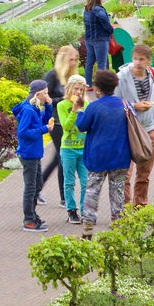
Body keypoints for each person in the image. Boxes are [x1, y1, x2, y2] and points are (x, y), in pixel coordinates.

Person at [76, 70, 130, 240]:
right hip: (121, 157)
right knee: (118, 192)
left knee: (92, 191)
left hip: (98, 158)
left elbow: (82, 126)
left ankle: (88, 229)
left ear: (97, 88)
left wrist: (78, 110)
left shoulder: (94, 106)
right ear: (115, 86)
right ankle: (118, 227)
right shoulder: (124, 104)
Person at [117, 45, 154, 207]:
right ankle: (123, 209)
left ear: (149, 61)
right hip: (127, 131)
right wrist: (133, 106)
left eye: (142, 59)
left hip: (150, 130)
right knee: (124, 174)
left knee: (144, 175)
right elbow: (114, 103)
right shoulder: (122, 77)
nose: (137, 63)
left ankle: (140, 207)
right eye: (135, 58)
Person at [11, 80, 54, 233]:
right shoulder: (28, 110)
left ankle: (32, 214)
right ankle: (28, 219)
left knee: (37, 184)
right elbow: (22, 133)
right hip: (28, 154)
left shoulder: (34, 107)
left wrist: (49, 106)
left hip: (34, 153)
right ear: (38, 94)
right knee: (31, 187)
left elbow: (42, 120)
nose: (47, 96)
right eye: (46, 93)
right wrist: (44, 129)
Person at [40, 45, 80, 208]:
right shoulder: (52, 76)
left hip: (67, 121)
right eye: (71, 59)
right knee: (63, 157)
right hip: (55, 122)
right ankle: (64, 198)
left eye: (76, 60)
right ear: (64, 59)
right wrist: (65, 100)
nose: (74, 63)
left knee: (59, 158)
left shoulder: (72, 77)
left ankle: (37, 188)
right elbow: (44, 99)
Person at [57, 74, 88, 224]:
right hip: (68, 148)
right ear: (69, 88)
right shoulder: (62, 105)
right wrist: (74, 110)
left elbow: (89, 125)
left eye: (81, 89)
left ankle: (84, 210)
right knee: (69, 182)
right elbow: (67, 127)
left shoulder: (87, 104)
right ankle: (71, 210)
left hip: (83, 148)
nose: (78, 92)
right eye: (76, 89)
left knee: (86, 181)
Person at [83, 0, 114, 86]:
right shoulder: (99, 10)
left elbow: (94, 21)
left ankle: (88, 85)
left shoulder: (87, 9)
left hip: (89, 39)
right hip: (100, 40)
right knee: (101, 64)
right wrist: (111, 31)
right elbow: (106, 24)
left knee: (89, 63)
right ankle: (102, 86)